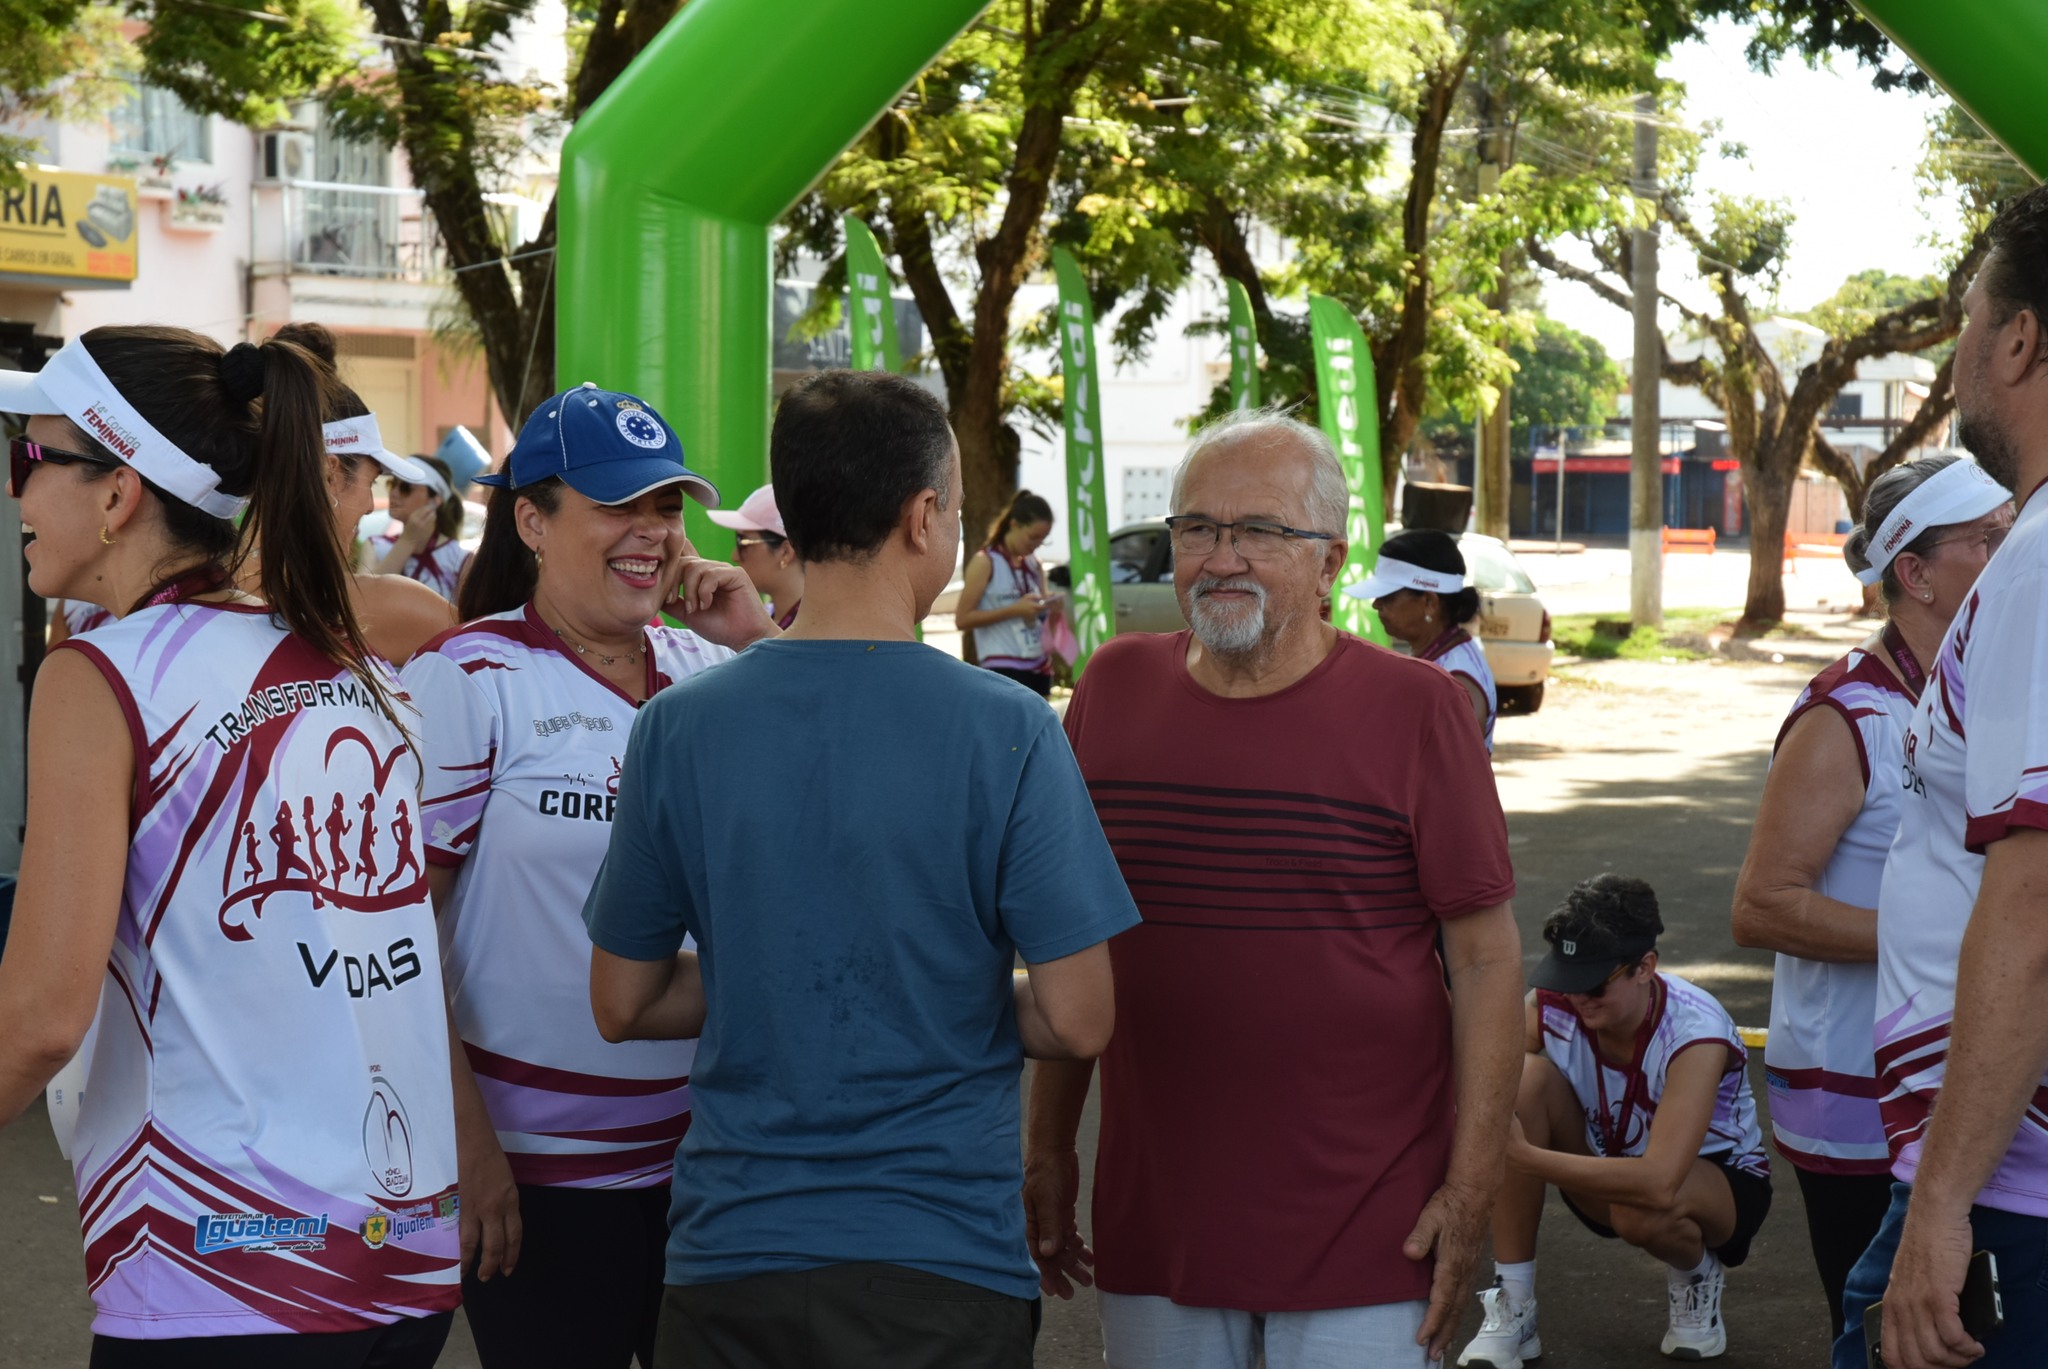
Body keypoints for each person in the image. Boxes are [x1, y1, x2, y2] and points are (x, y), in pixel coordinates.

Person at [583, 369, 1139, 1369]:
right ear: (924, 516)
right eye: (959, 509)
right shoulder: (1005, 728)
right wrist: (938, 982)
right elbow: (1077, 1015)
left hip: (727, 1258)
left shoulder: (678, 725)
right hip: (940, 1266)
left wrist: (781, 969)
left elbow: (621, 1000)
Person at [0, 326, 460, 1365]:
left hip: (225, 1272)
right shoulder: (348, 660)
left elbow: (37, 1018)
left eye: (29, 459)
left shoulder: (103, 676)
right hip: (404, 1264)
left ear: (118, 493)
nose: (18, 496)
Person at [1029, 409, 1525, 1369]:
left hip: (1370, 1224)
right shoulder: (1111, 688)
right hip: (1157, 1218)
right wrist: (1046, 1147)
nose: (1222, 557)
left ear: (1331, 558)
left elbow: (1486, 956)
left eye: (1260, 531)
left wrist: (1471, 1194)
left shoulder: (1418, 710)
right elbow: (1070, 940)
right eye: (1197, 528)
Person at [403, 383, 775, 1369]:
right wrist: (468, 1150)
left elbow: (835, 819)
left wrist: (759, 642)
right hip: (536, 1180)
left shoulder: (711, 669)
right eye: (618, 504)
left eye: (666, 505)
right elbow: (391, 941)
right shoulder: (468, 679)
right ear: (530, 517)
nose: (652, 532)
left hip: (712, 1166)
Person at [1730, 454, 2012, 1340]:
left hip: (1962, 1088)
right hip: (1854, 1102)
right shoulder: (1845, 715)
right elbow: (1762, 905)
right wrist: (1956, 941)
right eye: (1985, 538)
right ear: (1914, 574)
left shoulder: (1980, 693)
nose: (2011, 550)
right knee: (1893, 1338)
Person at [1838, 184, 2048, 1369]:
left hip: (2005, 1186)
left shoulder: (2031, 567)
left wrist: (1937, 1212)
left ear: (2016, 338)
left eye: (1969, 317)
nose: (1958, 348)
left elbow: (2029, 906)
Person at [1461, 875, 1772, 1368]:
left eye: (1594, 982)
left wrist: (1523, 1158)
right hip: (1606, 1168)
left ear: (1645, 967)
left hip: (1714, 1186)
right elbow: (1482, 1086)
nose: (1577, 996)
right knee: (1516, 1086)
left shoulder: (1696, 1031)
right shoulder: (1553, 1002)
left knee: (1640, 1208)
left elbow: (1658, 1180)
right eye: (1566, 976)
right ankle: (1513, 1301)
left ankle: (1696, 1273)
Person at [238, 323, 454, 663]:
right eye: (373, 481)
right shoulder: (390, 608)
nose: (371, 506)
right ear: (330, 474)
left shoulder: (191, 605)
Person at [1350, 527, 1496, 749]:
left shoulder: (1457, 682)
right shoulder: (1441, 655)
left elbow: (1455, 769)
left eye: (1387, 597)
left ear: (1429, 602)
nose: (1376, 604)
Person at [955, 488, 1058, 695]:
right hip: (1003, 667)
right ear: (1014, 525)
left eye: (1043, 540)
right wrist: (1014, 610)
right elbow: (962, 619)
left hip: (1038, 665)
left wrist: (1051, 607)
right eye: (1032, 537)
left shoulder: (1033, 563)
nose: (1036, 546)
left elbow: (1044, 619)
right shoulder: (986, 562)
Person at [369, 453, 470, 599]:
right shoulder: (375, 545)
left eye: (406, 487)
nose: (394, 493)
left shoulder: (461, 560)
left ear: (435, 500)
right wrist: (407, 540)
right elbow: (368, 598)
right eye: (392, 484)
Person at [706, 482, 803, 627]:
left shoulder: (817, 632)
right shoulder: (767, 618)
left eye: (743, 542)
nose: (735, 556)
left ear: (785, 552)